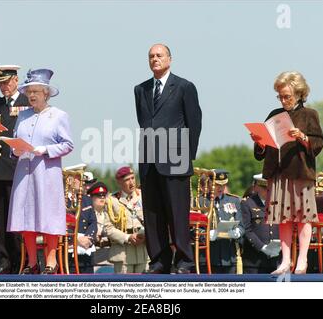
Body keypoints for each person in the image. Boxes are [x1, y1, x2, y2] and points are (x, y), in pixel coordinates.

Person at [134, 44, 202, 274]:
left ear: (169, 60)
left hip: (176, 160)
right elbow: (144, 124)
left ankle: (184, 261)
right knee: (152, 215)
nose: (155, 59)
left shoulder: (184, 87)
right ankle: (159, 261)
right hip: (149, 161)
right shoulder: (140, 89)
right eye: (151, 56)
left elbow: (194, 124)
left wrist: (186, 156)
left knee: (177, 214)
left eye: (159, 55)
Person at [251, 71, 323, 274]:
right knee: (282, 218)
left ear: (299, 94)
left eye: (287, 96)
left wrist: (302, 137)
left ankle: (302, 260)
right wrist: (259, 143)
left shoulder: (309, 114)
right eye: (280, 96)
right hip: (278, 173)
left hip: (300, 172)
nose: (283, 100)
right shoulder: (274, 114)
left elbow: (318, 143)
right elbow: (261, 152)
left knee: (303, 217)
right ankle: (285, 261)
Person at [7, 68, 74, 275]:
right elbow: (15, 142)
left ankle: (51, 261)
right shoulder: (23, 115)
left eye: (35, 91)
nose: (32, 95)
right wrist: (15, 149)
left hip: (46, 173)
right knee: (25, 216)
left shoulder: (58, 116)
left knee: (48, 216)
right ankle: (31, 262)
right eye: (29, 92)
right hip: (24, 173)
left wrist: (44, 150)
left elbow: (68, 145)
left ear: (46, 92)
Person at [0, 65, 30, 274]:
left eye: (6, 82)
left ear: (16, 80)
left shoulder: (27, 102)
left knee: (18, 216)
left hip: (17, 166)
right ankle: (5, 259)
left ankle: (23, 260)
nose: (3, 87)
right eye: (0, 83)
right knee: (1, 218)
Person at [104, 167, 149, 273]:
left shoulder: (144, 196)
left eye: (133, 178)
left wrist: (144, 234)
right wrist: (127, 237)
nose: (132, 182)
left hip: (143, 251)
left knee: (145, 287)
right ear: (119, 182)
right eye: (127, 180)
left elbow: (153, 221)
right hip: (123, 254)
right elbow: (108, 228)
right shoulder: (112, 201)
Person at [204, 169, 244, 274]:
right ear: (209, 183)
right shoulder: (200, 202)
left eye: (223, 184)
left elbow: (242, 225)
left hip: (229, 256)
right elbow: (191, 230)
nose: (220, 188)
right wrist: (206, 235)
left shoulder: (234, 201)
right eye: (217, 184)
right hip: (208, 257)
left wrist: (237, 232)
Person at [241, 174, 280, 274]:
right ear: (257, 187)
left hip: (277, 259)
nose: (268, 191)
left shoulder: (279, 203)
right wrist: (262, 247)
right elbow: (247, 229)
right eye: (265, 188)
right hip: (254, 261)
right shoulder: (248, 203)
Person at [87, 181, 113, 272]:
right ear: (91, 198)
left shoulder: (111, 215)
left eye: (104, 195)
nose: (102, 197)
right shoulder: (86, 216)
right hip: (94, 261)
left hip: (110, 260)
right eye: (98, 195)